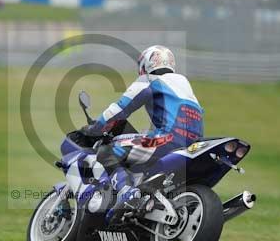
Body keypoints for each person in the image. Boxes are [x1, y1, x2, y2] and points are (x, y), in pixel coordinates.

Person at [81, 45, 204, 223]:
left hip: (166, 139)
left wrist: (94, 128)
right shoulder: (184, 83)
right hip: (192, 144)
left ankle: (127, 193)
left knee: (107, 150)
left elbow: (119, 109)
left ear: (146, 64)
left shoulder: (149, 80)